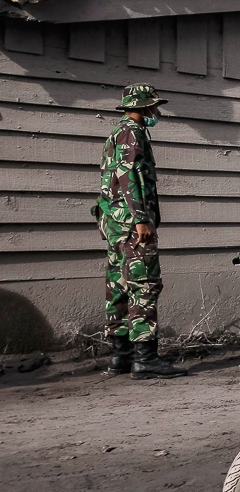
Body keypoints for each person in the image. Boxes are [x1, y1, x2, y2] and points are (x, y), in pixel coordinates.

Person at [95, 84, 187, 379]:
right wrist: (141, 218)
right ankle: (145, 359)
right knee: (144, 285)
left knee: (118, 286)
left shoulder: (117, 133)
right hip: (132, 224)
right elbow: (129, 175)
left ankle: (120, 357)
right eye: (154, 107)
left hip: (115, 223)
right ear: (144, 107)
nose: (156, 113)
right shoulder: (132, 133)